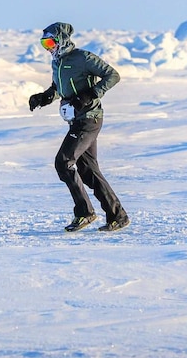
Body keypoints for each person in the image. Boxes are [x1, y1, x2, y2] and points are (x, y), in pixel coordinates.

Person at [28, 22, 130, 232]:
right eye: (43, 44)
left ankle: (85, 212)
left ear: (61, 40)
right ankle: (117, 216)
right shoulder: (57, 63)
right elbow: (59, 87)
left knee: (63, 162)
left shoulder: (83, 58)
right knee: (87, 170)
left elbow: (113, 76)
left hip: (89, 119)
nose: (48, 48)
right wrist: (44, 97)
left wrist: (89, 96)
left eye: (50, 42)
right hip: (76, 120)